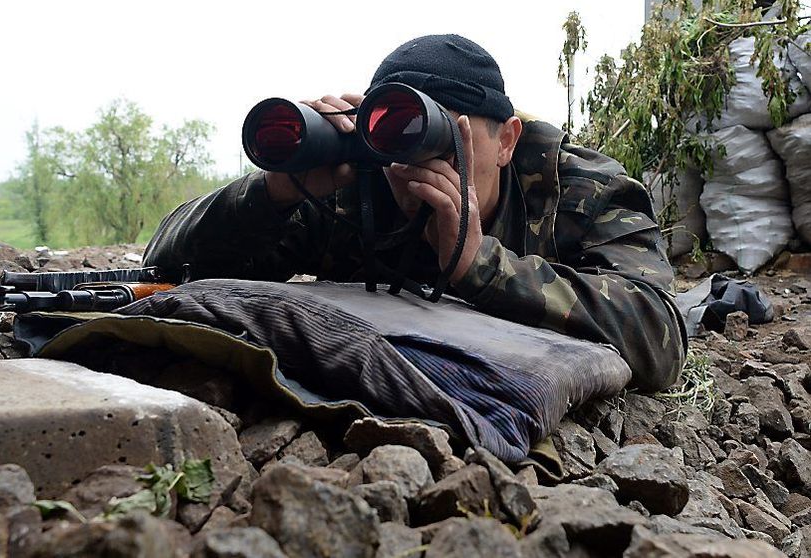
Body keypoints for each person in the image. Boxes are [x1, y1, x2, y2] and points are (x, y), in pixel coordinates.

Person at [144, 34, 686, 392]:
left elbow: (660, 333)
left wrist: (480, 263)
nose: (414, 165)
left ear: (506, 143)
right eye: (396, 142)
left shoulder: (578, 188)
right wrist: (274, 193)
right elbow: (165, 263)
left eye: (447, 137)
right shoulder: (354, 188)